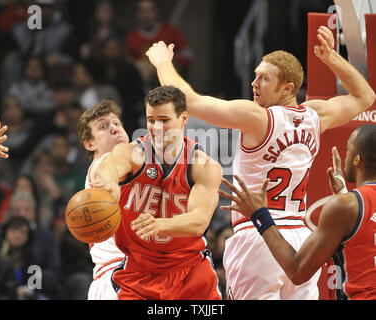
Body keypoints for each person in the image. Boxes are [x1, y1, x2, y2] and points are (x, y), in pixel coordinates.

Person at [146, 26, 376, 299]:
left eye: (264, 78)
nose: (254, 83)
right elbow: (366, 97)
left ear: (287, 88)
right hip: (301, 239)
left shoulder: (258, 117)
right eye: (255, 75)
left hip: (257, 235)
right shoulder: (316, 115)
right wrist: (332, 58)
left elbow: (189, 101)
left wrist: (162, 62)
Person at [92, 85, 222, 300]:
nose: (157, 127)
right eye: (151, 120)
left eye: (164, 120)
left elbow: (199, 221)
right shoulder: (133, 153)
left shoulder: (203, 165)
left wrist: (161, 224)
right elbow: (109, 167)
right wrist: (111, 184)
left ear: (184, 118)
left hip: (190, 271)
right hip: (138, 272)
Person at [219, 124, 376, 300]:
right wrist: (344, 195)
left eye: (348, 149)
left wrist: (259, 214)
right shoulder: (349, 204)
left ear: (357, 160)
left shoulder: (345, 206)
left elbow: (297, 271)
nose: (345, 155)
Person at [76, 100, 129, 300]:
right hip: (118, 275)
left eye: (116, 123)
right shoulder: (102, 164)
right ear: (90, 144)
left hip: (131, 274)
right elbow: (110, 167)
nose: (114, 129)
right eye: (104, 127)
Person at [125, 0, 193, 89]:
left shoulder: (170, 32)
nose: (146, 15)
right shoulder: (131, 37)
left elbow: (188, 55)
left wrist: (169, 60)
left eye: (150, 10)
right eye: (143, 11)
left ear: (156, 12)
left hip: (169, 83)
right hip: (141, 87)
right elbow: (127, 62)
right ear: (138, 14)